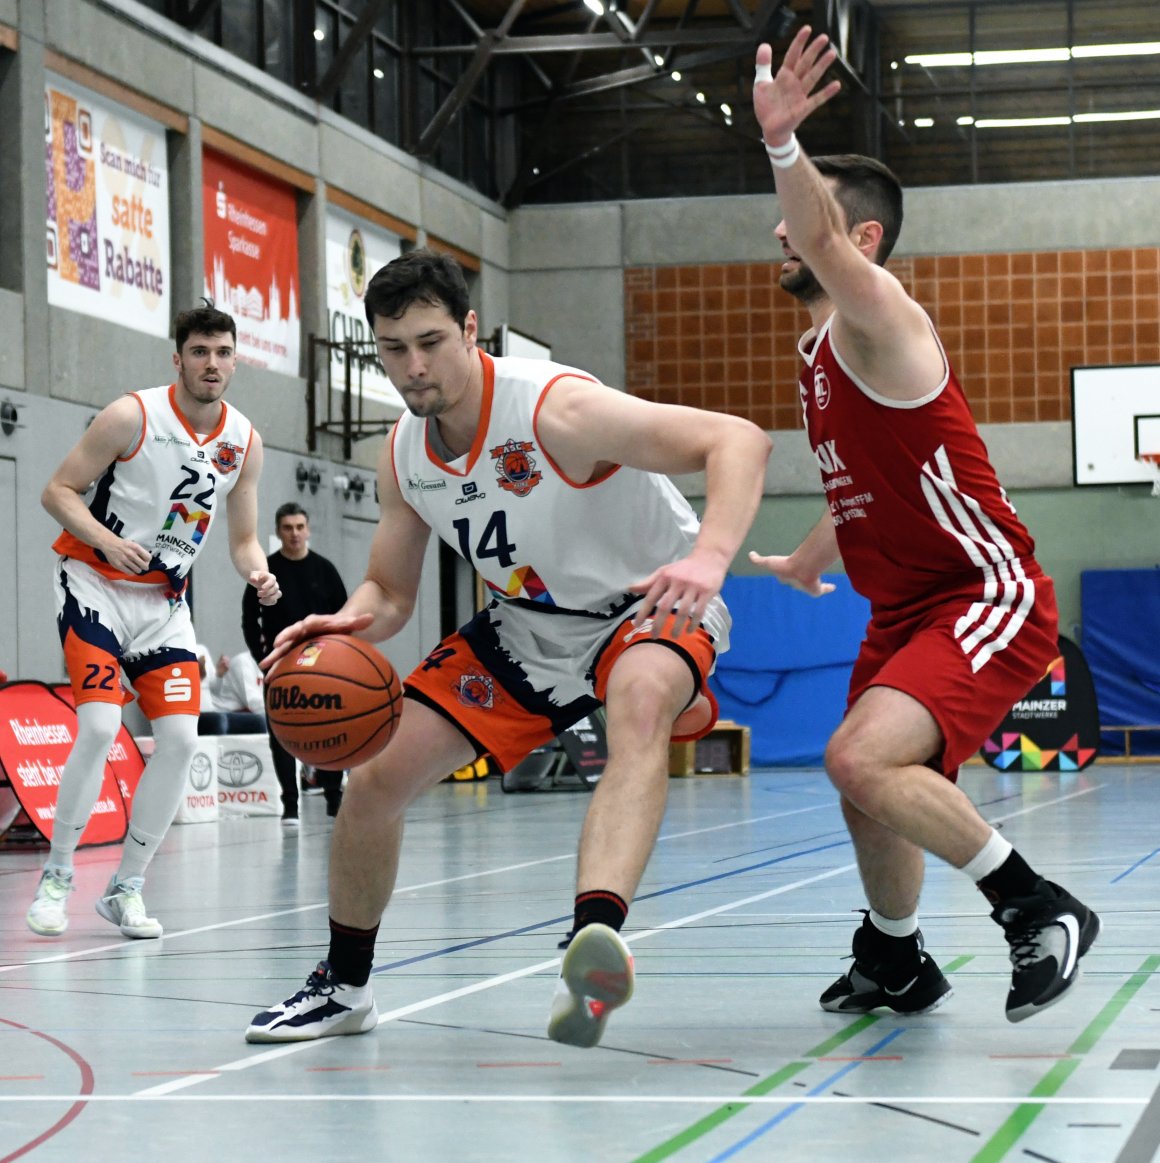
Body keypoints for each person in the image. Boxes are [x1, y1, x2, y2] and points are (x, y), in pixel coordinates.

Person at [245, 248, 771, 1046]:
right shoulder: (404, 454)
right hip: (529, 626)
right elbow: (390, 592)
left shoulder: (557, 410)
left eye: (430, 342)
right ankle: (344, 987)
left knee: (636, 705)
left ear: (470, 330)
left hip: (648, 602)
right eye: (393, 349)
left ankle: (592, 946)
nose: (413, 366)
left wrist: (709, 557)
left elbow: (738, 439)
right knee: (374, 777)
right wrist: (345, 622)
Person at [748, 29, 1099, 1023]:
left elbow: (811, 230)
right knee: (862, 785)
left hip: (982, 592)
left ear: (859, 243)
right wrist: (805, 555)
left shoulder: (881, 317)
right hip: (902, 606)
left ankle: (1034, 906)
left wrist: (783, 144)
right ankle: (895, 958)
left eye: (806, 224)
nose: (781, 235)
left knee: (858, 756)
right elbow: (856, 480)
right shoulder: (820, 355)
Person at [27, 302, 280, 940]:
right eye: (200, 352)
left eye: (223, 353)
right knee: (99, 725)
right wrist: (106, 542)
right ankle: (57, 877)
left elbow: (244, 540)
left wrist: (258, 572)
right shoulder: (131, 415)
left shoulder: (243, 442)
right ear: (179, 358)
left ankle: (126, 888)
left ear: (235, 360)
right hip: (93, 585)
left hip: (165, 603)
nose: (212, 364)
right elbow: (57, 490)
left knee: (182, 742)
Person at [242, 502, 349, 823]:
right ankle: (290, 803)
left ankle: (333, 796)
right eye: (288, 528)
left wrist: (340, 658)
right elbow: (250, 621)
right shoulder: (266, 573)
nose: (294, 534)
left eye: (300, 527)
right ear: (278, 531)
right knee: (281, 735)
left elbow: (344, 618)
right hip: (281, 667)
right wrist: (263, 660)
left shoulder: (325, 570)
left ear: (308, 529)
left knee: (331, 730)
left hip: (324, 666)